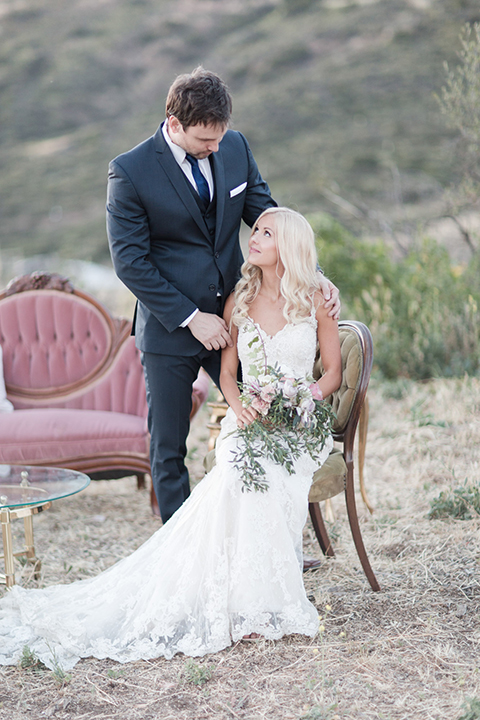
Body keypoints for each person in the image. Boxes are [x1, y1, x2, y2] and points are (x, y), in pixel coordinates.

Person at [0, 207, 341, 669]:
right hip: (251, 422)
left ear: (292, 246)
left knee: (269, 473)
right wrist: (242, 412)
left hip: (300, 427)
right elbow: (227, 374)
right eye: (255, 229)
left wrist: (304, 398)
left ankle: (266, 600)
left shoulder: (318, 298)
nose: (254, 237)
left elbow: (334, 374)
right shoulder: (239, 299)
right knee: (239, 467)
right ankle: (238, 598)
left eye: (266, 233)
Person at [106, 67, 340, 526]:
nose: (214, 148)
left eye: (219, 138)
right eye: (203, 140)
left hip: (240, 317)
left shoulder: (233, 146)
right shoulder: (129, 171)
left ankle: (272, 537)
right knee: (169, 447)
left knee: (265, 421)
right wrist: (192, 317)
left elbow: (267, 215)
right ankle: (181, 549)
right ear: (173, 123)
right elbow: (130, 263)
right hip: (171, 330)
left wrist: (313, 275)